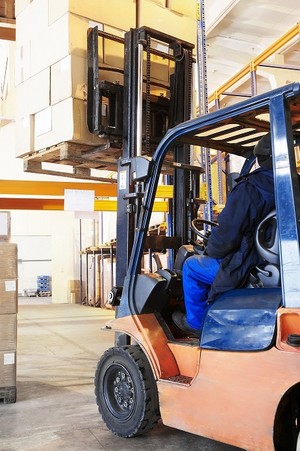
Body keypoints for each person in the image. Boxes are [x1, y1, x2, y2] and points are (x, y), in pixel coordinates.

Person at [172, 132, 275, 336]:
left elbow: (227, 236)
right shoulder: (291, 185)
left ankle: (197, 324)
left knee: (191, 265)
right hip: (269, 258)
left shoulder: (251, 188)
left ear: (261, 159)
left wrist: (210, 248)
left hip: (250, 262)